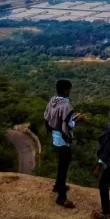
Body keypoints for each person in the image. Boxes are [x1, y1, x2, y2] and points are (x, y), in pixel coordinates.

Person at [43, 79, 86, 209]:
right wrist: (79, 119)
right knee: (63, 166)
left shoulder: (52, 101)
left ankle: (57, 185)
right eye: (69, 89)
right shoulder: (66, 105)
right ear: (66, 90)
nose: (70, 91)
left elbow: (46, 117)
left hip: (55, 136)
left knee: (62, 162)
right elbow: (69, 123)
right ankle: (62, 197)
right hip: (62, 138)